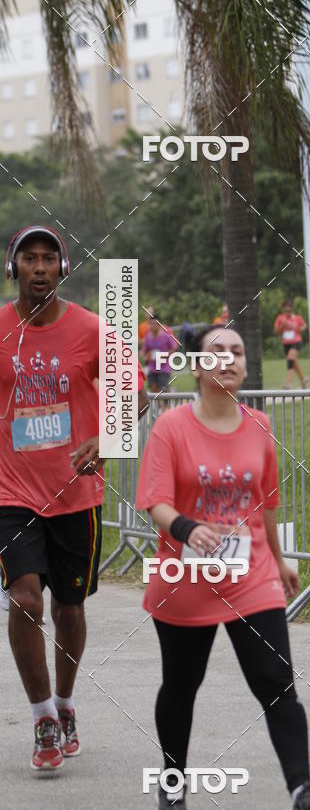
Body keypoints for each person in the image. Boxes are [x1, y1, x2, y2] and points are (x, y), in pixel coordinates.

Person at [136, 323, 310, 810]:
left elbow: (265, 501)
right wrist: (188, 529)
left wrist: (278, 556)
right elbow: (156, 503)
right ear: (196, 367)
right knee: (182, 686)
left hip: (251, 576)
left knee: (276, 681)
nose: (228, 359)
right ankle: (173, 783)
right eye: (216, 352)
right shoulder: (171, 428)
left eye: (237, 351)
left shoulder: (260, 425)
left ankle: (301, 791)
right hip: (186, 578)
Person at [0, 225, 149, 772]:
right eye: (28, 258)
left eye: (49, 259)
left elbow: (134, 392)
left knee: (69, 608)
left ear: (62, 269)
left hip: (76, 493)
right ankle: (40, 717)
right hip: (9, 491)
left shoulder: (91, 329)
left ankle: (64, 702)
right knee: (25, 600)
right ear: (12, 267)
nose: (39, 268)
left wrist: (106, 440)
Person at [274, 299, 308, 389]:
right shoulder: (280, 318)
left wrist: (301, 328)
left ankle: (288, 384)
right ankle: (303, 379)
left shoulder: (296, 318)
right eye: (286, 310)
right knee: (293, 361)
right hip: (286, 343)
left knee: (290, 359)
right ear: (283, 310)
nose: (288, 312)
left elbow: (304, 325)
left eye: (290, 310)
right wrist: (282, 325)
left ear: (292, 309)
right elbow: (276, 331)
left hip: (296, 341)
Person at [143, 315, 177, 393]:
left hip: (164, 368)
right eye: (151, 324)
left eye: (155, 324)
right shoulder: (148, 337)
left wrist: (165, 355)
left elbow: (174, 348)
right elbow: (144, 351)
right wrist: (145, 357)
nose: (152, 326)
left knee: (163, 390)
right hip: (152, 368)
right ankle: (159, 405)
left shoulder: (166, 336)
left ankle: (171, 394)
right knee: (153, 388)